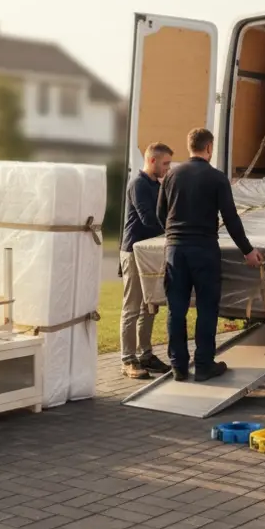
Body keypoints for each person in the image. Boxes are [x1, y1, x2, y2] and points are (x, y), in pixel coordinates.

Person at [155, 128, 263, 382]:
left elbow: (160, 214)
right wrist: (247, 250)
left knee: (176, 309)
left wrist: (174, 235)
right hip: (204, 250)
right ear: (209, 148)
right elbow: (231, 218)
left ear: (189, 146)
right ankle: (203, 365)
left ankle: (178, 367)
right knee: (206, 308)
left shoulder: (171, 175)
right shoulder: (216, 178)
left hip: (175, 251)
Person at [118, 142, 174, 379]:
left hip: (149, 252)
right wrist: (173, 228)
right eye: (165, 163)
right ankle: (127, 360)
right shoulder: (139, 184)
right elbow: (149, 219)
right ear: (152, 161)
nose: (168, 168)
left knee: (149, 306)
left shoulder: (156, 185)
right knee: (132, 308)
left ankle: (145, 355)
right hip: (133, 252)